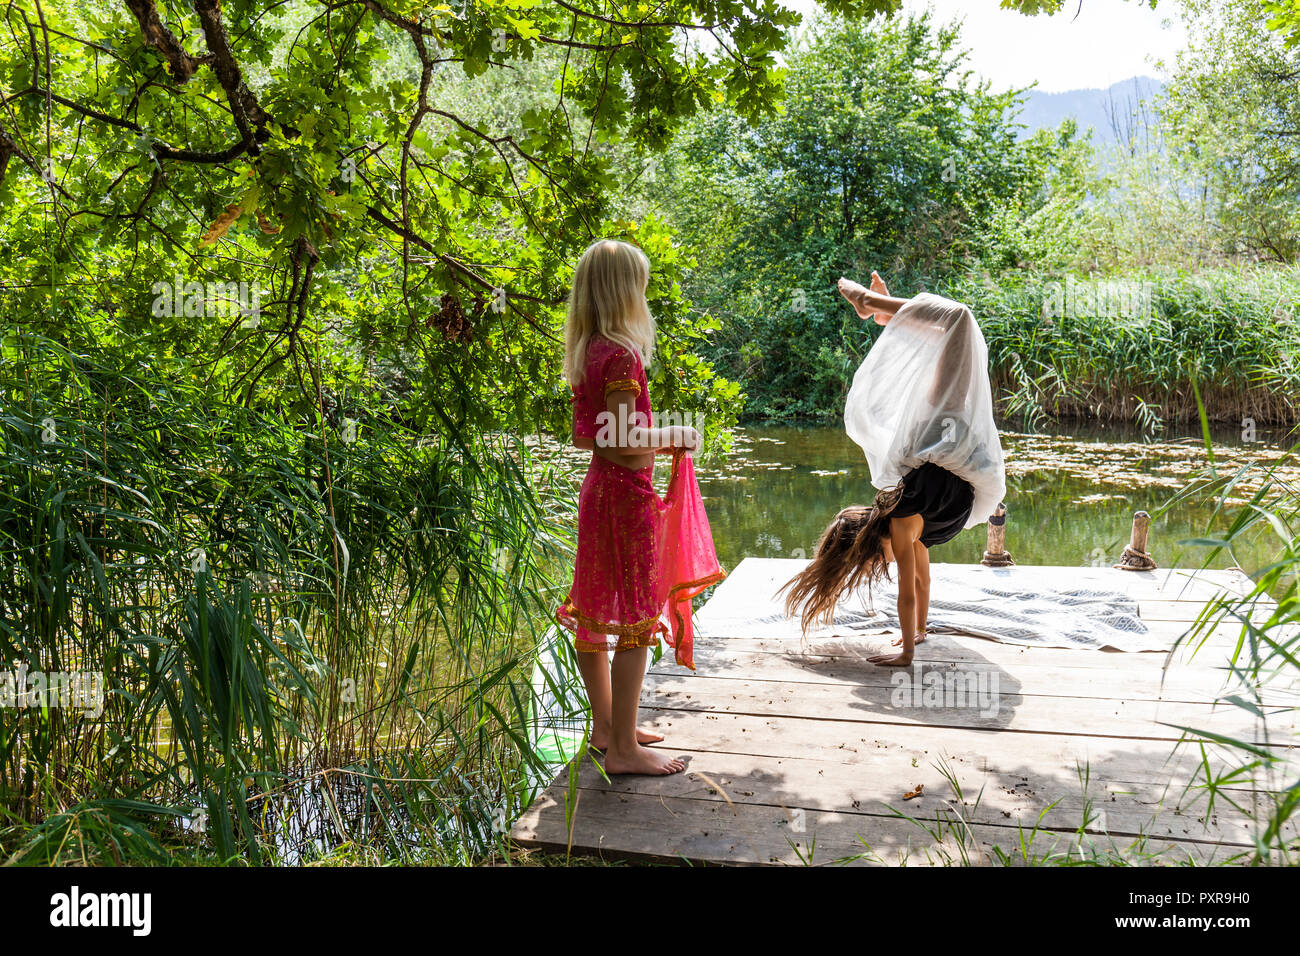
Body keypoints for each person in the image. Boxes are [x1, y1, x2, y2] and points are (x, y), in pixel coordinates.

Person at [781, 272, 1006, 666]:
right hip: (948, 450)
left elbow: (909, 590)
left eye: (872, 560)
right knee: (954, 337)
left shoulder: (904, 527)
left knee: (958, 325)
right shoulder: (912, 534)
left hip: (940, 444)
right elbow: (922, 582)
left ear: (869, 545)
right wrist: (917, 634)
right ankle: (883, 315)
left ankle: (874, 306)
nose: (883, 565)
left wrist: (906, 651)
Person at [556, 238, 704, 775]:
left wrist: (652, 436)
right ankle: (623, 750)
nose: (645, 292)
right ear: (624, 290)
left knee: (596, 611)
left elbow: (589, 438)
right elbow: (622, 440)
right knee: (637, 620)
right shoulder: (620, 355)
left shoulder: (589, 351)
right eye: (639, 283)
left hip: (600, 492)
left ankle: (606, 729)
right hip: (623, 496)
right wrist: (675, 434)